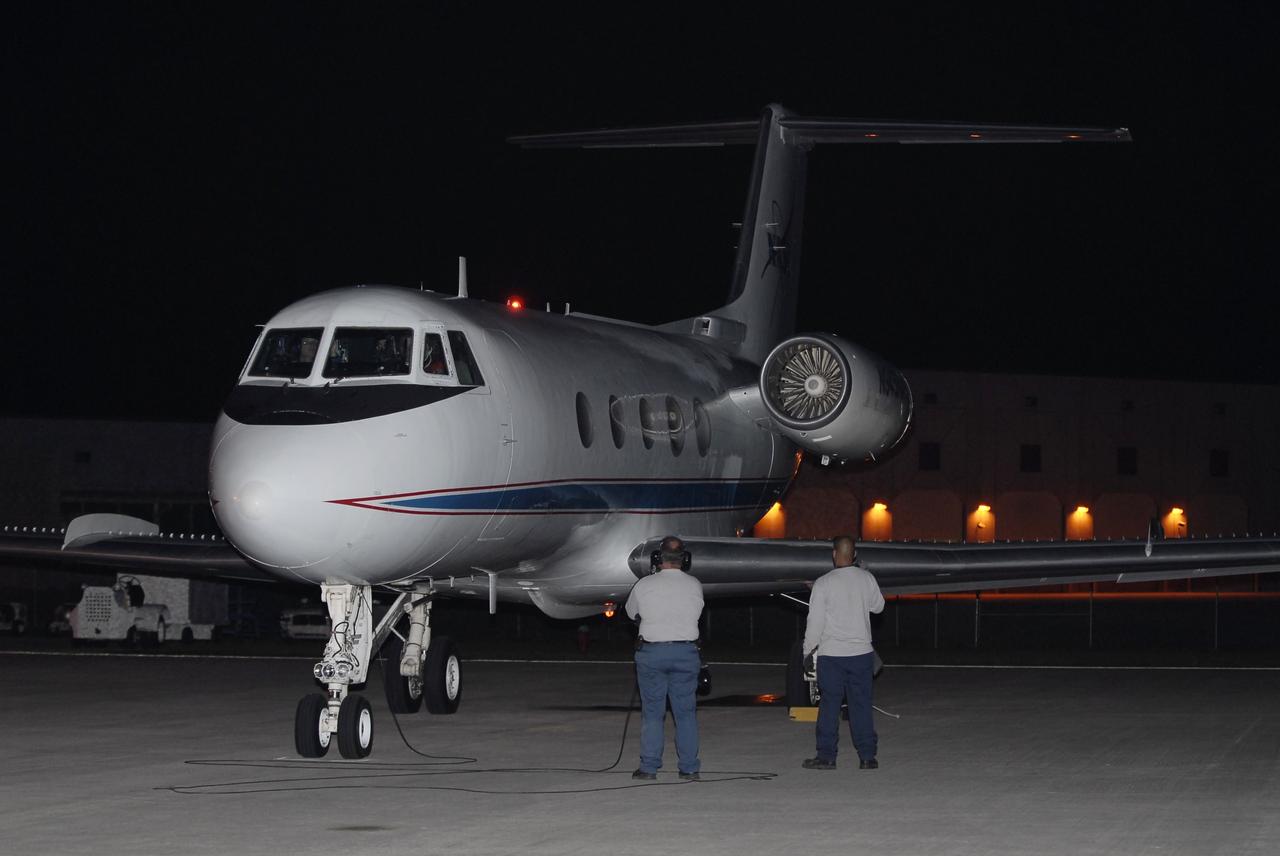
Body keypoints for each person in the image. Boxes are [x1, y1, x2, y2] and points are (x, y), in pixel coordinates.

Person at [801, 534, 885, 771]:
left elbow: (815, 623)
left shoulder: (823, 583)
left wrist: (807, 652)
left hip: (832, 657)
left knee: (829, 705)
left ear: (834, 554)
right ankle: (867, 757)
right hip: (861, 655)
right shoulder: (866, 578)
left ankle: (827, 756)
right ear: (855, 555)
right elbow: (878, 606)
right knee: (861, 705)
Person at [625, 535, 704, 781]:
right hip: (685, 653)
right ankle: (689, 767)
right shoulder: (694, 584)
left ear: (657, 559)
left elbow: (630, 613)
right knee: (686, 713)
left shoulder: (644, 585)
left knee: (652, 712)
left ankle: (649, 767)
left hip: (653, 653)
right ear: (685, 559)